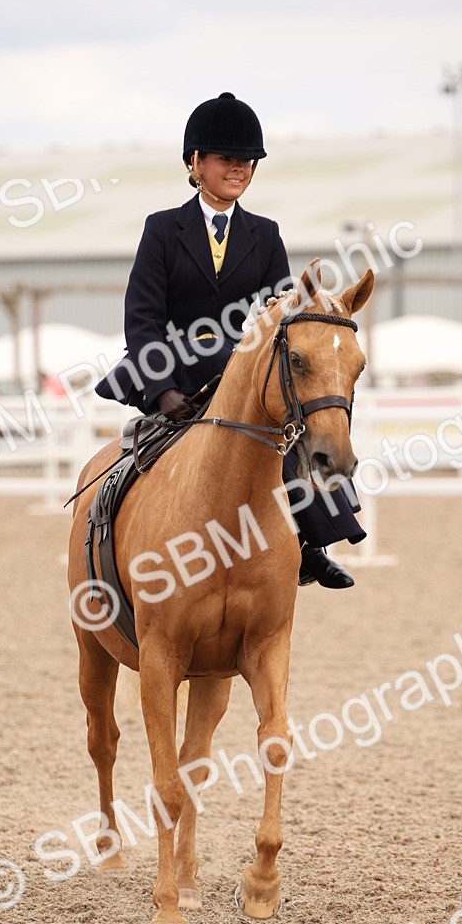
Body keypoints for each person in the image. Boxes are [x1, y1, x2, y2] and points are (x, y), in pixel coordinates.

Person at [95, 92, 365, 588]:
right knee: (126, 470)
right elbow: (142, 320)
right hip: (177, 382)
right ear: (194, 162)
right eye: (226, 159)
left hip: (240, 380)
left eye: (247, 161)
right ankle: (106, 550)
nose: (239, 169)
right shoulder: (161, 230)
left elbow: (280, 320)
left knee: (299, 446)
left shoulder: (265, 234)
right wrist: (163, 391)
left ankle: (311, 544)